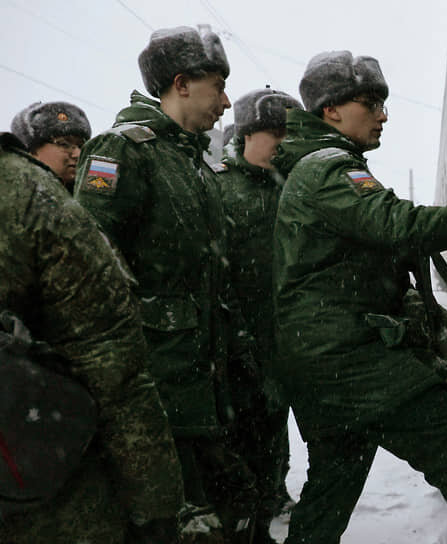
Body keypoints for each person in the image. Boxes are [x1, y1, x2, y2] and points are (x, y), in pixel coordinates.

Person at [271, 50, 447, 544]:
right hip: (345, 358)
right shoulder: (329, 169)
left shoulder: (317, 167)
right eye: (370, 102)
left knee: (333, 484)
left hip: (319, 359)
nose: (383, 114)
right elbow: (404, 225)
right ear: (330, 110)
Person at [74, 24, 258, 543]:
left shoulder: (191, 160)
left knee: (231, 508)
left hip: (201, 380)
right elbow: (90, 262)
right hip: (156, 384)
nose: (225, 102)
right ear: (181, 83)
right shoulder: (124, 150)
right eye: (217, 87)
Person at [0, 132, 184, 543]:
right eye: (60, 141)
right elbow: (109, 359)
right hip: (39, 477)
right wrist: (155, 504)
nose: (75, 152)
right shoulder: (31, 195)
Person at [214, 87, 303, 543]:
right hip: (237, 349)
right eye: (275, 133)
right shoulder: (219, 186)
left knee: (274, 441)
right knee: (243, 452)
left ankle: (271, 501)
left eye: (290, 134)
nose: (284, 143)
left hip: (286, 340)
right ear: (248, 133)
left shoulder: (296, 185)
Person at [10, 101, 91, 193]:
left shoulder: (89, 198)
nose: (78, 154)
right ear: (31, 151)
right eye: (64, 144)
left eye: (81, 146)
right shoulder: (11, 194)